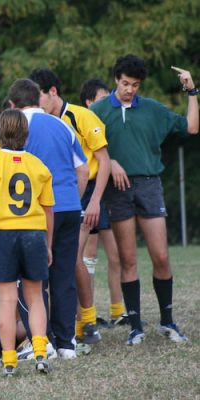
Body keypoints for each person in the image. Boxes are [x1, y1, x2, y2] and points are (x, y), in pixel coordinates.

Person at [90, 55, 198, 345]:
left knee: (161, 257)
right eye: (125, 83)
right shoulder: (99, 110)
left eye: (135, 85)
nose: (130, 89)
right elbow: (85, 147)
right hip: (118, 189)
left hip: (150, 185)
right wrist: (110, 161)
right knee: (127, 260)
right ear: (116, 79)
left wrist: (192, 91)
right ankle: (135, 327)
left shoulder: (152, 109)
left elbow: (191, 127)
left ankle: (167, 322)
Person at [0, 79, 88, 359]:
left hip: (35, 214)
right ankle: (67, 343)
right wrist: (72, 199)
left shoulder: (14, 127)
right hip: (69, 207)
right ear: (38, 98)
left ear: (12, 105)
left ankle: (41, 343)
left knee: (31, 280)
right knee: (64, 275)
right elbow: (83, 171)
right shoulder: (62, 125)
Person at [0, 109, 54, 376]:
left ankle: (9, 360)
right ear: (26, 136)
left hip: (3, 234)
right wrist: (48, 244)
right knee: (36, 296)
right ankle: (40, 352)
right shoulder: (38, 165)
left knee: (7, 299)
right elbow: (48, 209)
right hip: (34, 233)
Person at [29, 68, 111, 344]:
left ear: (52, 92)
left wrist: (94, 200)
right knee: (52, 261)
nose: (35, 102)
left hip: (81, 191)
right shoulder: (36, 122)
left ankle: (88, 322)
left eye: (38, 95)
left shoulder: (80, 116)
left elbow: (104, 160)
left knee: (71, 259)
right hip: (53, 195)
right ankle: (60, 325)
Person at [79, 78, 128, 327]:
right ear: (89, 103)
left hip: (102, 189)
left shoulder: (105, 124)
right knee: (86, 258)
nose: (106, 103)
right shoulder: (78, 123)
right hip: (85, 189)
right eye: (100, 100)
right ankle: (87, 313)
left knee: (116, 254)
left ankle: (118, 311)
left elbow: (108, 155)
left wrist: (115, 162)